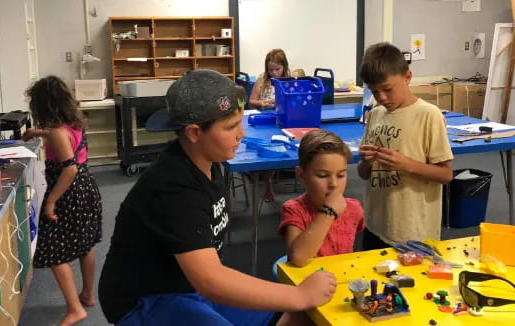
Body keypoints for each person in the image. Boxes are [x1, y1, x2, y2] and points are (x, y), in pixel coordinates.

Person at [98, 69, 336, 326]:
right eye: (231, 127)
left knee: (299, 317)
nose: (241, 134)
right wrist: (299, 294)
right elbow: (211, 281)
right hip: (146, 299)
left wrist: (299, 301)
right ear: (193, 133)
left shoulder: (212, 164)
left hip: (189, 285)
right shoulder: (173, 188)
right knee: (297, 304)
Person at [357, 42, 454, 250]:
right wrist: (365, 162)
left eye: (387, 89)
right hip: (375, 224)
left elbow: (446, 175)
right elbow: (364, 174)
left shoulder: (429, 115)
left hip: (412, 230)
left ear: (407, 77)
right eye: (375, 92)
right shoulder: (375, 114)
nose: (381, 97)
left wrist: (405, 164)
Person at [24, 75, 102, 326]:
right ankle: (88, 295)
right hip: (86, 187)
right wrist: (40, 132)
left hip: (67, 191)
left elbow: (68, 169)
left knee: (52, 249)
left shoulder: (57, 131)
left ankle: (74, 308)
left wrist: (50, 202)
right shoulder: (75, 123)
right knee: (85, 243)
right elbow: (64, 140)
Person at [278, 130, 365, 267]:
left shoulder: (354, 209)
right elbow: (298, 258)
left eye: (341, 175)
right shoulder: (294, 210)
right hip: (307, 285)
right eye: (322, 175)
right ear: (301, 176)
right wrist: (328, 212)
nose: (334, 184)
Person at [249, 48, 291, 202]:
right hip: (266, 120)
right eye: (270, 69)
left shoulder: (290, 80)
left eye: (277, 69)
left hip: (285, 120)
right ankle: (268, 183)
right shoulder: (262, 79)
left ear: (284, 67)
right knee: (268, 148)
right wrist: (262, 103)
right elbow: (251, 101)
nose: (274, 73)